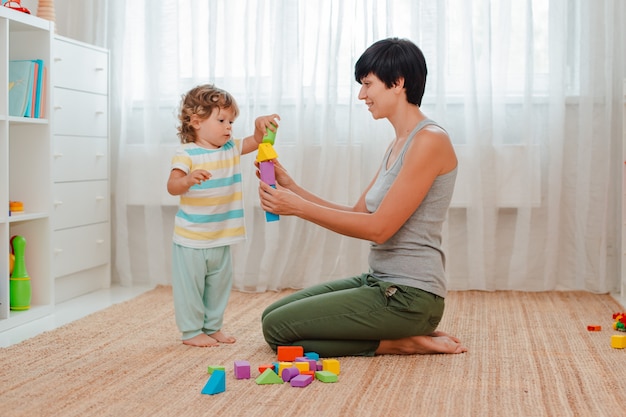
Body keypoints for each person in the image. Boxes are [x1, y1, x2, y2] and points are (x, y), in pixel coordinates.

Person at [258, 38, 467, 357]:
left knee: (278, 331)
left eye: (368, 84)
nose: (361, 95)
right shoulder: (399, 143)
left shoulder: (429, 141)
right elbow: (360, 213)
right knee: (271, 317)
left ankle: (397, 342)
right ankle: (395, 334)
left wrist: (299, 209)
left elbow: (378, 229)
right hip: (380, 281)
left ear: (397, 83)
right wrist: (292, 188)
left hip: (408, 296)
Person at [167, 84, 279, 347]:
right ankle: (191, 331)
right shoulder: (186, 153)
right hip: (191, 240)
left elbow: (257, 140)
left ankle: (212, 326)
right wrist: (188, 179)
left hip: (221, 237)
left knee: (218, 287)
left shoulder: (230, 147)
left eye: (231, 121)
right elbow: (172, 186)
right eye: (221, 120)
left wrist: (261, 126)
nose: (228, 127)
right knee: (190, 288)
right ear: (196, 121)